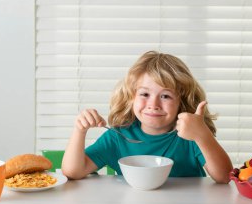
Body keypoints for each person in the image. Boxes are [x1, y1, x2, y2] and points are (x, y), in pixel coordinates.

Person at [62, 51, 233, 183]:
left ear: (181, 101)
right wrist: (79, 130)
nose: (154, 104)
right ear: (131, 98)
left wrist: (202, 134)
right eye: (144, 94)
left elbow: (225, 177)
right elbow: (73, 172)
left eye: (165, 96)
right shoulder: (118, 137)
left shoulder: (190, 137)